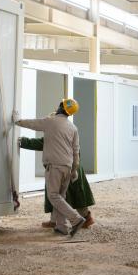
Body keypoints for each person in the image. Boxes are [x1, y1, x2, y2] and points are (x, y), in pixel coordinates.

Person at [13, 99, 85, 236]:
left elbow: (33, 124)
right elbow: (76, 151)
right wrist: (74, 170)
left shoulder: (50, 121)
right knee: (60, 197)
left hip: (55, 166)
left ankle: (76, 219)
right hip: (67, 167)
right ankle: (62, 227)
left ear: (60, 107)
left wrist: (17, 121)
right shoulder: (73, 128)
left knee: (53, 196)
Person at [18, 136, 95, 229]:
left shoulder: (55, 134)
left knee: (63, 196)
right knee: (66, 195)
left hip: (65, 169)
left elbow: (41, 143)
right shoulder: (68, 130)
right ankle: (54, 221)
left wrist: (21, 141)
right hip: (72, 167)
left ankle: (86, 218)